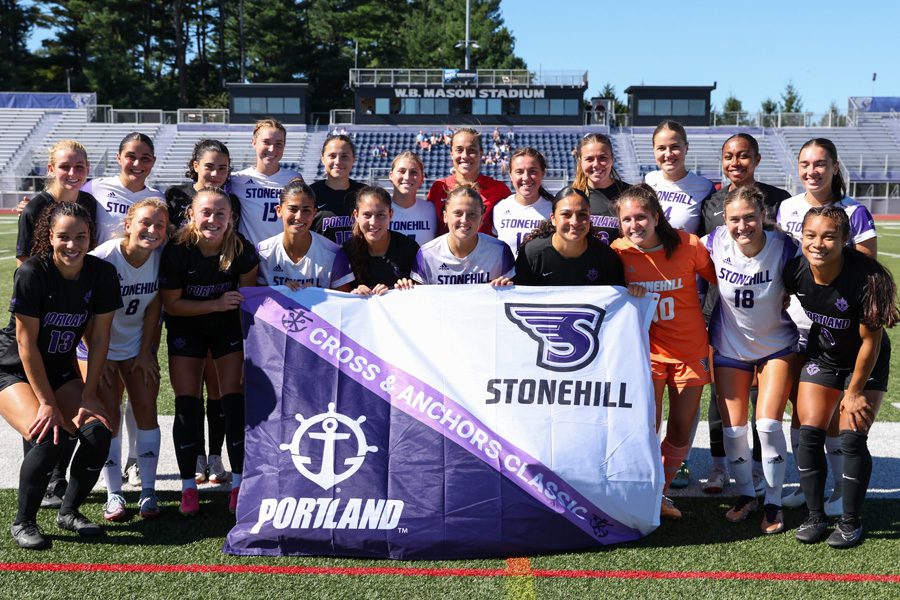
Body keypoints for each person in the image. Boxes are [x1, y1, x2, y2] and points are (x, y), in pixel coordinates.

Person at [0, 202, 121, 549]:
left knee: (98, 433)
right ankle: (24, 521)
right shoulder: (33, 273)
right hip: (12, 369)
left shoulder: (101, 274)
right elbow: (26, 345)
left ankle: (68, 512)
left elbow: (99, 339)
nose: (72, 245)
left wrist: (88, 394)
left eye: (80, 237)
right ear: (49, 237)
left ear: (90, 237)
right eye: (63, 237)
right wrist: (47, 403)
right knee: (48, 435)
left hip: (60, 368)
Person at [784, 206, 897, 548]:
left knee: (850, 440)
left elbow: (870, 341)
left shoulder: (866, 280)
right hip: (825, 355)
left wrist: (854, 390)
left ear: (845, 240)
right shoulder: (797, 269)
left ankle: (850, 522)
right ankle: (816, 516)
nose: (818, 244)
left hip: (866, 361)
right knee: (808, 435)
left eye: (829, 236)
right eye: (811, 235)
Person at [776, 138, 878, 513]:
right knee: (801, 413)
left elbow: (866, 271)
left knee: (833, 415)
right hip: (793, 325)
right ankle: (809, 485)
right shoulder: (788, 207)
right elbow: (787, 262)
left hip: (838, 328)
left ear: (835, 167)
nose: (811, 171)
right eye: (805, 163)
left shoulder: (854, 211)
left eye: (820, 164)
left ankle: (838, 488)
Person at [611, 184, 716, 520]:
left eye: (640, 216)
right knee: (646, 429)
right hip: (646, 355)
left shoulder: (689, 245)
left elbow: (721, 281)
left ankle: (661, 491)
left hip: (690, 351)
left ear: (656, 217)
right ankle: (646, 491)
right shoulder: (617, 252)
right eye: (626, 219)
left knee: (681, 429)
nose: (634, 225)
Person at [700, 134, 792, 496]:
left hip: (770, 321)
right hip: (723, 313)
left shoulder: (780, 217)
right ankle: (723, 468)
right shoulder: (711, 209)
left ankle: (763, 482)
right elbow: (690, 255)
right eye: (728, 156)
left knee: (766, 416)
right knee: (723, 407)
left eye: (742, 156)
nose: (735, 162)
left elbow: (804, 270)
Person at [705, 186, 799, 534]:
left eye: (749, 217)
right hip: (730, 346)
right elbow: (676, 254)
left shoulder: (785, 246)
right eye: (734, 219)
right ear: (724, 220)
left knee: (768, 425)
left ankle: (773, 502)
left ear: (763, 216)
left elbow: (823, 268)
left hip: (776, 345)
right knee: (733, 429)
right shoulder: (713, 241)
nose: (742, 225)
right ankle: (745, 495)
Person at [159, 187, 259, 516]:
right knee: (187, 405)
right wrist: (215, 303)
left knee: (233, 402)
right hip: (187, 330)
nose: (212, 219)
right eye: (206, 212)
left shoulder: (241, 249)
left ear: (231, 218)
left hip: (226, 331)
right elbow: (172, 306)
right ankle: (188, 486)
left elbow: (248, 300)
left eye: (220, 213)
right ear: (191, 214)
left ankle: (239, 483)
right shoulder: (177, 250)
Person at [15, 140, 99, 509]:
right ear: (51, 168)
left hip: (74, 314)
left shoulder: (90, 203)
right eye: (65, 166)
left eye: (79, 166)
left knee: (68, 402)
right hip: (40, 316)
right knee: (39, 406)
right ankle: (41, 479)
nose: (72, 173)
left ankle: (58, 477)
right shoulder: (35, 207)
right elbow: (25, 265)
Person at [79, 199, 169, 522]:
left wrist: (146, 351)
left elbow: (155, 306)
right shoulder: (102, 258)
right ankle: (113, 493)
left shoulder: (159, 260)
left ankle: (148, 490)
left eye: (160, 225)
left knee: (146, 410)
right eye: (145, 222)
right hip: (97, 347)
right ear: (128, 223)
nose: (152, 230)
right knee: (109, 419)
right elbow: (86, 315)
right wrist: (97, 360)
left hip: (134, 346)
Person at [165, 138, 241, 485]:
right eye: (210, 165)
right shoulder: (175, 198)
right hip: (185, 312)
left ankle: (216, 457)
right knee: (190, 393)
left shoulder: (232, 206)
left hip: (221, 321)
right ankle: (195, 458)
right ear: (195, 164)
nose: (216, 173)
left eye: (223, 167)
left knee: (219, 392)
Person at [514, 186, 625, 286]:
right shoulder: (531, 254)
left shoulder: (606, 257)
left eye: (582, 214)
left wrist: (633, 290)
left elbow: (618, 299)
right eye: (566, 215)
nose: (575, 222)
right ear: (553, 218)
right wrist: (505, 287)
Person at [256, 179, 351, 290]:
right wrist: (281, 292)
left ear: (314, 213)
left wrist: (317, 295)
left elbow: (343, 302)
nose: (299, 216)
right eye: (292, 209)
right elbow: (256, 299)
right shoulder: (263, 252)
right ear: (279, 210)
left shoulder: (334, 254)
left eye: (306, 210)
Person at [412, 186, 515, 286]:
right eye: (458, 213)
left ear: (481, 218)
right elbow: (420, 298)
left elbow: (511, 297)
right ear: (445, 216)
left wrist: (507, 287)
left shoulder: (500, 252)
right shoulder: (427, 254)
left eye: (472, 214)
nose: (464, 220)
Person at [229, 118, 303, 246]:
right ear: (254, 142)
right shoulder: (237, 179)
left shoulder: (294, 179)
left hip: (282, 254)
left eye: (279, 144)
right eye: (266, 142)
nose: (272, 148)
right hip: (249, 256)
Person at [426, 128, 512, 236]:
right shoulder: (438, 188)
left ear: (480, 153)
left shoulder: (499, 190)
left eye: (471, 150)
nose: (465, 155)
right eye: (459, 150)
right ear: (451, 154)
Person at [335, 185, 419, 295]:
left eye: (380, 215)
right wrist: (354, 294)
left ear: (390, 214)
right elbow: (339, 300)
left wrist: (408, 287)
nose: (373, 222)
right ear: (356, 215)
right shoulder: (345, 253)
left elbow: (421, 296)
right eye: (367, 215)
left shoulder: (409, 248)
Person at [644, 120, 715, 235]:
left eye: (674, 147)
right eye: (661, 148)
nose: (668, 154)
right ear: (654, 150)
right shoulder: (648, 181)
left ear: (686, 148)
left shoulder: (705, 187)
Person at [492, 147, 554, 258]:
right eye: (519, 172)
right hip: (508, 275)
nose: (526, 177)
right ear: (510, 174)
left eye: (533, 171)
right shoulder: (499, 209)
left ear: (543, 173)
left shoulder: (554, 208)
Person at [571, 133, 629, 245]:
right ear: (580, 161)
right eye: (589, 159)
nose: (596, 164)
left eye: (602, 158)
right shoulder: (570, 196)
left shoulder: (630, 194)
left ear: (612, 159)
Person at [310, 134, 365, 245]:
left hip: (357, 260)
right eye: (332, 156)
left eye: (344, 156)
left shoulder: (364, 193)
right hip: (321, 260)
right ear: (323, 159)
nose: (338, 161)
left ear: (353, 159)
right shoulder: (310, 193)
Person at [388, 152, 435, 245]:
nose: (407, 177)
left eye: (413, 172)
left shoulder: (432, 209)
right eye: (401, 171)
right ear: (391, 176)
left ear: (422, 178)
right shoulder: (380, 210)